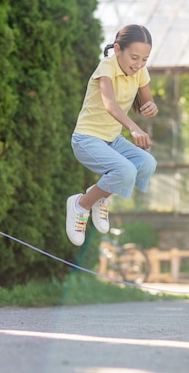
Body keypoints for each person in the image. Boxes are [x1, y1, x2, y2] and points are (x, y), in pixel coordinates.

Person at [66, 24, 158, 246]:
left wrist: (151, 106)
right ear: (117, 49)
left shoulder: (139, 72)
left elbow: (147, 100)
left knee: (147, 163)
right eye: (134, 57)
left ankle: (100, 197)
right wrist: (134, 128)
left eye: (144, 59)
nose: (138, 64)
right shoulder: (106, 67)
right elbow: (110, 104)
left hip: (112, 140)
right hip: (87, 139)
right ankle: (80, 205)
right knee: (125, 170)